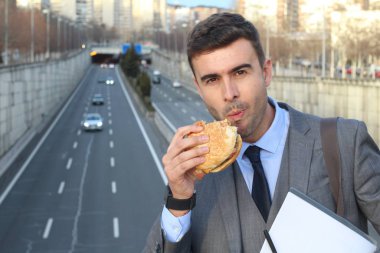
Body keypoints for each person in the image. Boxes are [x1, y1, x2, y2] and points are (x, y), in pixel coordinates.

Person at [144, 12, 380, 253]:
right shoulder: (193, 173)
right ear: (199, 88)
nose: (229, 93)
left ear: (266, 72)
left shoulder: (345, 143)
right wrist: (179, 200)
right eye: (212, 79)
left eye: (240, 72)